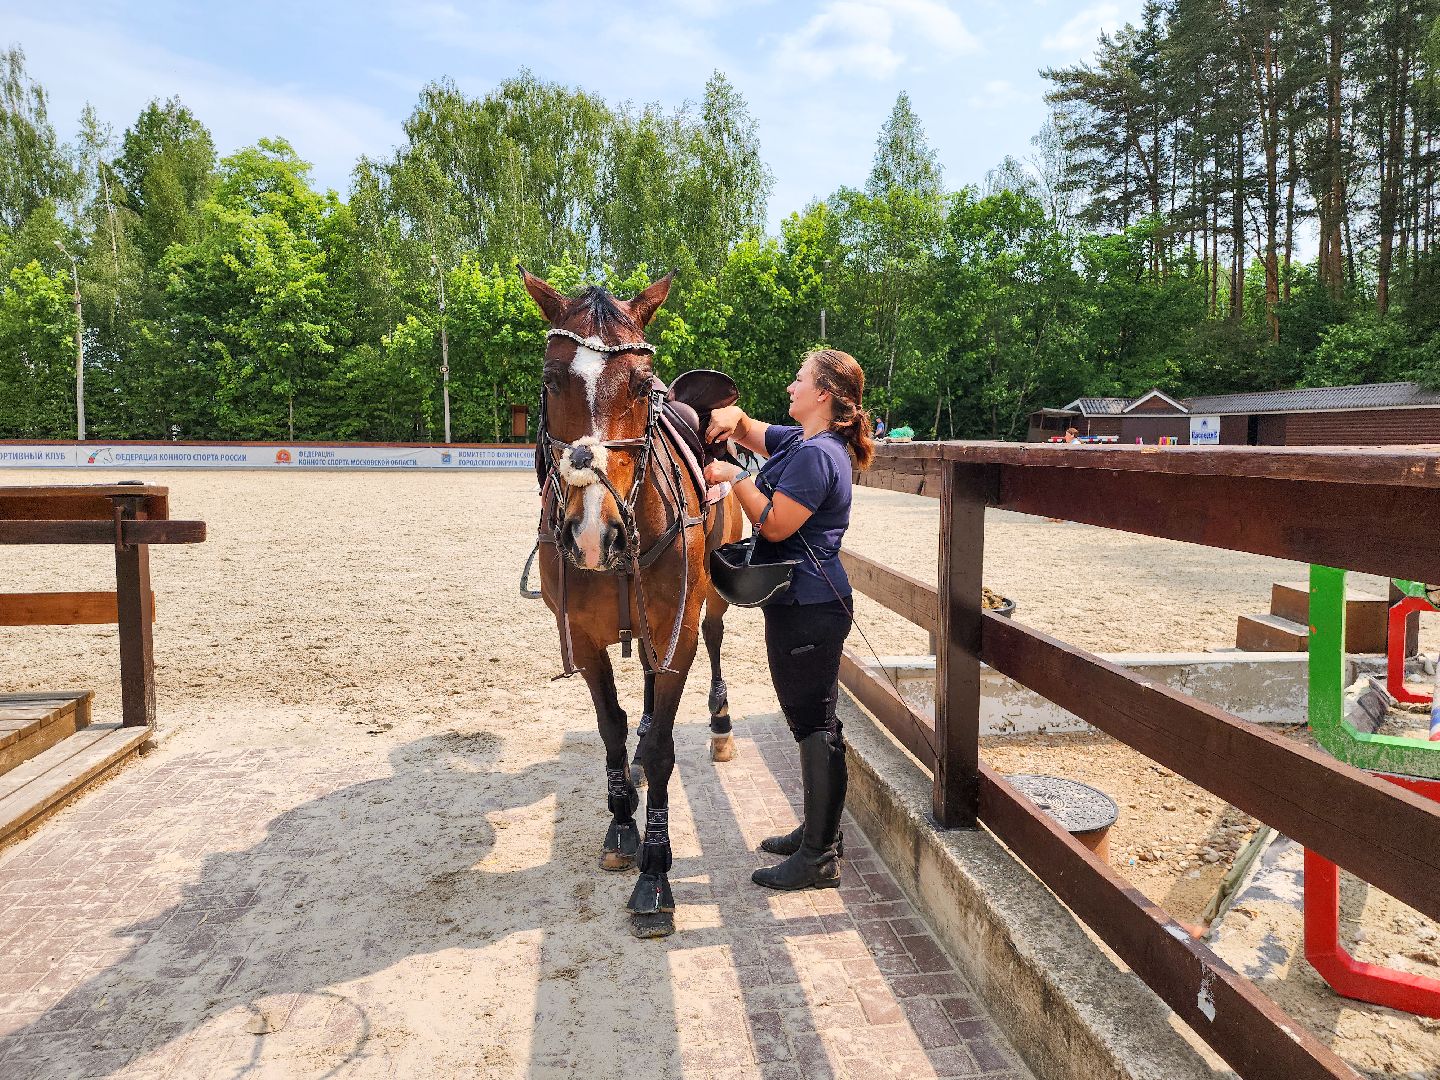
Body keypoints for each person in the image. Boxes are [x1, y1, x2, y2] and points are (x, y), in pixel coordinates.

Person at [703, 349, 874, 891]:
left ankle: (820, 856)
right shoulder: (805, 442)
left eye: (799, 379)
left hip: (810, 605)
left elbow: (776, 526)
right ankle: (818, 833)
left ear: (823, 393)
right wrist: (732, 418)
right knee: (812, 720)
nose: (790, 385)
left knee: (814, 722)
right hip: (802, 603)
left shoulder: (818, 455)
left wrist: (734, 477)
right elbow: (757, 432)